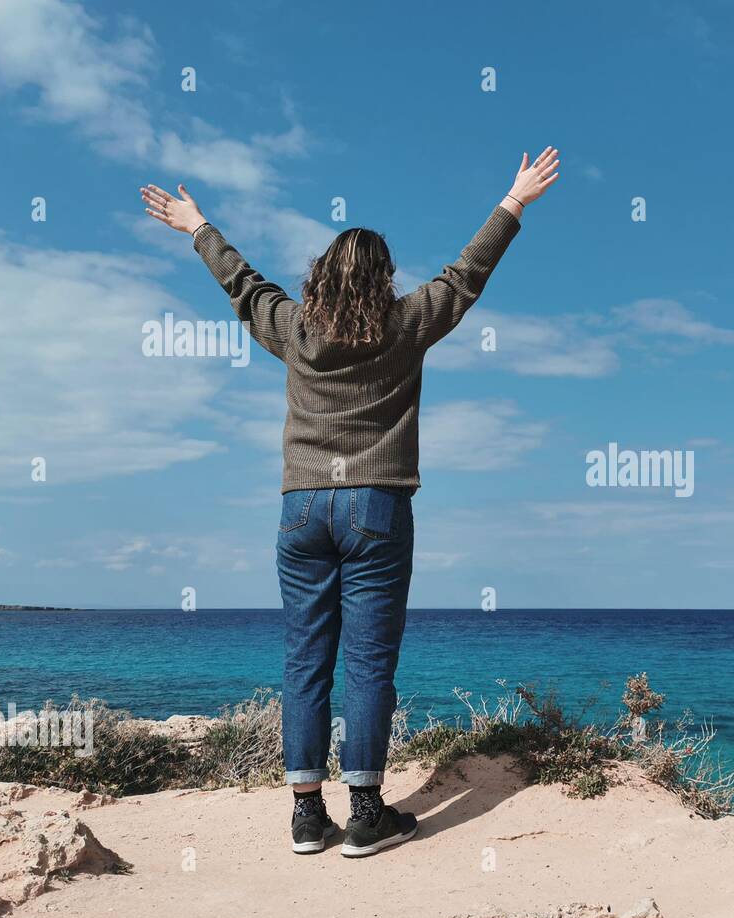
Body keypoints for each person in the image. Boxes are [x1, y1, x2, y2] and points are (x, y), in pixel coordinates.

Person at [139, 147, 560, 856]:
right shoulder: (405, 323)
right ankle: (366, 812)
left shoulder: (297, 328)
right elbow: (467, 275)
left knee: (306, 658)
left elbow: (243, 285)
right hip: (376, 505)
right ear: (384, 278)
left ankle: (307, 816)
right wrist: (513, 202)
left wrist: (198, 225)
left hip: (302, 505)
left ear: (321, 275)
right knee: (368, 661)